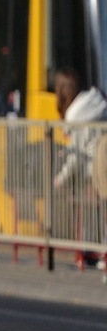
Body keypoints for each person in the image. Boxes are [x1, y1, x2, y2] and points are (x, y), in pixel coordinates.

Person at [52, 67, 107, 268]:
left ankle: (96, 254)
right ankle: (101, 254)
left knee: (92, 211)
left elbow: (76, 155)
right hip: (102, 163)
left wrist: (61, 178)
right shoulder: (94, 104)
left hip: (95, 170)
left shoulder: (75, 116)